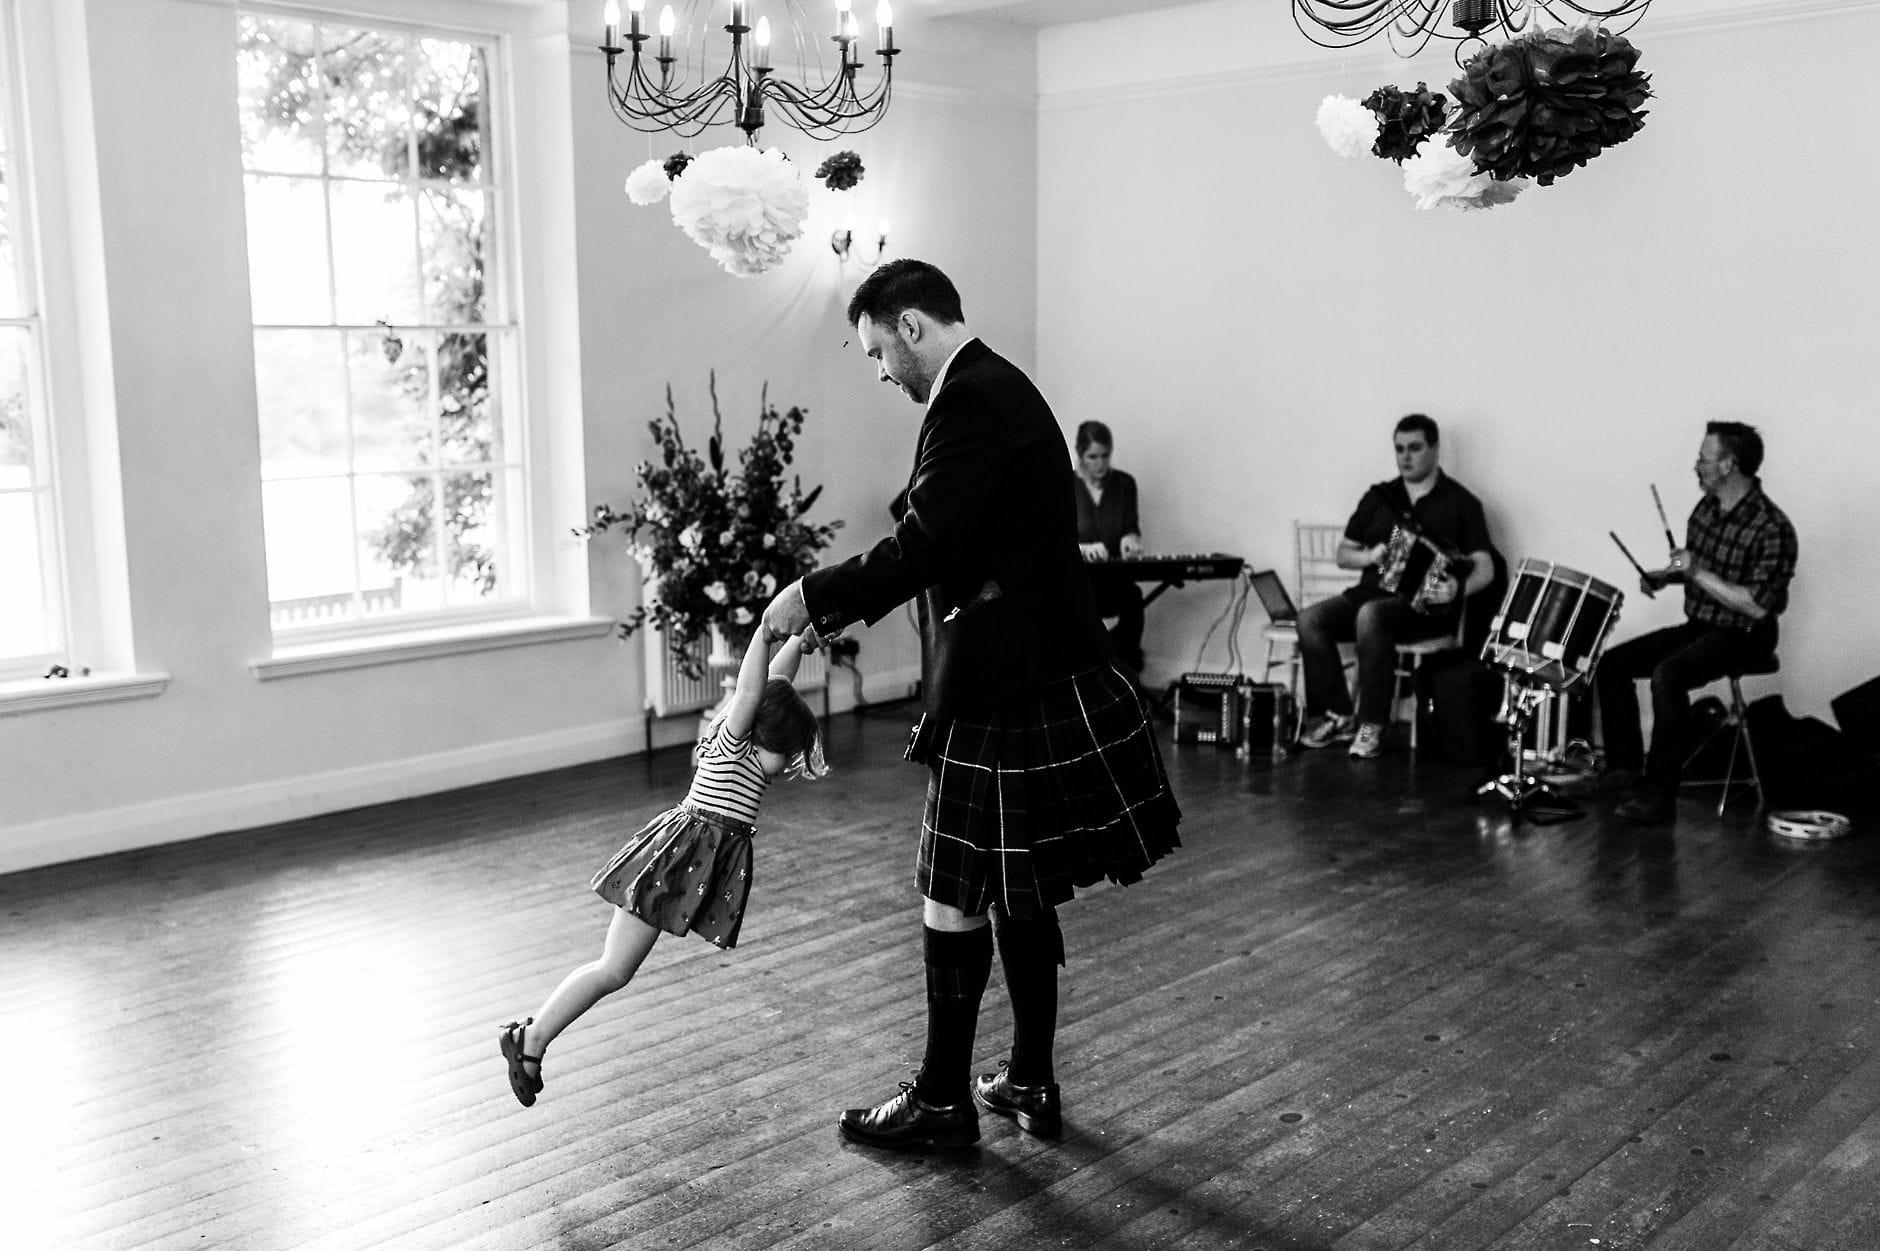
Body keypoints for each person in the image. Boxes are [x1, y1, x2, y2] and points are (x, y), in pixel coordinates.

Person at [762, 258, 1181, 1151]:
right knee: (1018, 890)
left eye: (881, 352)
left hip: (1007, 678)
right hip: (1035, 666)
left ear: (914, 326)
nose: (882, 373)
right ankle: (1028, 1079)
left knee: (952, 889)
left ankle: (944, 1098)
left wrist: (813, 593)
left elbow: (925, 542)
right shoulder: (999, 387)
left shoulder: (972, 399)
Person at [497, 627, 825, 1108]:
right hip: (671, 864)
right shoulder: (735, 740)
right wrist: (768, 630)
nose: (792, 759)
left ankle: (532, 1039)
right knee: (612, 969)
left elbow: (775, 683)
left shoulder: (751, 743)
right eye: (789, 748)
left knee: (616, 969)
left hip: (681, 862)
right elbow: (755, 688)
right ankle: (531, 1039)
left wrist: (800, 640)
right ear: (760, 735)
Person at [1594, 422, 1798, 825]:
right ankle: (1623, 770)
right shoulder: (1705, 510)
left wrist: (1696, 571)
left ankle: (1659, 795)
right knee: (1612, 664)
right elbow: (1690, 570)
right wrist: (1663, 575)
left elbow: (1756, 606)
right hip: (1703, 624)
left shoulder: (1772, 526)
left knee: (1667, 675)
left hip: (1747, 633)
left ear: (1728, 465)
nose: (1696, 466)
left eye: (1703, 459)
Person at [1294, 414, 1496, 760]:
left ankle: (1372, 723)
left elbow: (1487, 567)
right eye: (1399, 449)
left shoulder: (1462, 503)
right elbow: (1343, 554)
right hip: (1369, 595)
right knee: (1310, 618)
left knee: (1371, 616)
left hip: (1424, 609)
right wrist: (1370, 556)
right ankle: (1336, 714)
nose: (1406, 457)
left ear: (1435, 449)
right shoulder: (1379, 498)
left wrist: (1456, 590)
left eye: (1415, 448)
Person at [1072, 420, 1147, 672]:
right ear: (1080, 454)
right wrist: (1082, 548)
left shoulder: (1124, 484)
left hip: (1115, 579)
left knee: (1133, 599)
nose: (1100, 463)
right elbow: (1053, 540)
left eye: (1105, 455)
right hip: (1078, 581)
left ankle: (1127, 672)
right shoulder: (1065, 486)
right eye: (1092, 456)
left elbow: (1130, 527)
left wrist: (1130, 538)